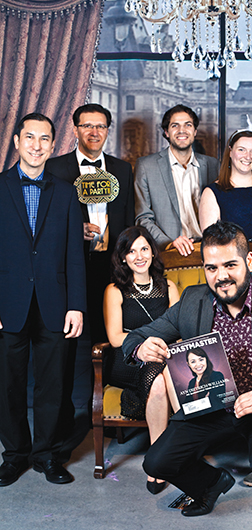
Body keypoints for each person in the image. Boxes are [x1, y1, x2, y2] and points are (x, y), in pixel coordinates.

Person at [122, 221, 252, 529]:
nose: (220, 276)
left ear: (249, 261)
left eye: (230, 265)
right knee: (156, 461)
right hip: (212, 406)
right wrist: (139, 348)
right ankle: (210, 484)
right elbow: (135, 336)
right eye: (211, 268)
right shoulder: (192, 300)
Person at [0, 113, 86, 487]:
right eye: (29, 138)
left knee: (53, 386)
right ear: (17, 140)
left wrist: (77, 305)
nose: (36, 146)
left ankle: (47, 455)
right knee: (8, 386)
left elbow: (74, 255)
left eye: (44, 139)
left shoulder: (67, 192)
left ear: (54, 145)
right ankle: (14, 455)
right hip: (8, 303)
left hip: (55, 302)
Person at [46, 103, 135, 344]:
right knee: (69, 334)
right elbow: (46, 221)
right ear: (75, 130)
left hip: (112, 263)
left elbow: (128, 217)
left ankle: (106, 380)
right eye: (87, 126)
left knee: (108, 330)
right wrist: (75, 229)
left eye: (100, 126)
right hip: (70, 264)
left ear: (107, 130)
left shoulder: (123, 169)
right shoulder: (53, 168)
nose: (94, 132)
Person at [103, 226, 179, 494]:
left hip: (163, 357)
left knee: (160, 380)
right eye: (131, 250)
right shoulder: (115, 290)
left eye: (144, 248)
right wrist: (143, 345)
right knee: (159, 375)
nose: (139, 255)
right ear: (123, 257)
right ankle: (178, 453)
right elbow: (114, 336)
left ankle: (158, 461)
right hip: (129, 360)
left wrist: (161, 348)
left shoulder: (168, 286)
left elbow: (179, 330)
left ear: (152, 252)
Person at [134, 104, 219, 256]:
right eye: (175, 126)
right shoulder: (146, 166)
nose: (182, 131)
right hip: (170, 252)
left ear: (195, 131)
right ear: (166, 132)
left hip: (211, 250)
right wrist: (168, 243)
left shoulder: (213, 166)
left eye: (188, 125)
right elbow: (143, 217)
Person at [199, 130, 252, 246]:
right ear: (230, 152)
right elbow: (212, 244)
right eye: (241, 149)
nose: (248, 156)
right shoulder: (211, 192)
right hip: (234, 262)